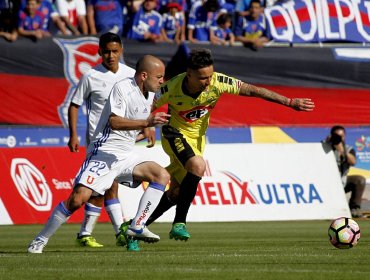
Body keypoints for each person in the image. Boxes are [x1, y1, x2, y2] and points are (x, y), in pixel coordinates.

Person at [146, 48, 315, 241]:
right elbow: (147, 105)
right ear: (189, 74)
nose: (208, 81)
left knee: (177, 193)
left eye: (210, 76)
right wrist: (147, 124)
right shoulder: (171, 88)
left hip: (196, 141)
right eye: (203, 78)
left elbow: (253, 90)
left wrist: (290, 102)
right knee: (198, 165)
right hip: (173, 134)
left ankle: (136, 226)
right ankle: (179, 223)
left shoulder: (218, 82)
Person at [27, 55, 170, 254]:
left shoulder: (149, 94)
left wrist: (147, 128)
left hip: (126, 155)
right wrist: (147, 123)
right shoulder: (122, 88)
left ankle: (137, 225)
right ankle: (39, 241)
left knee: (161, 175)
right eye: (160, 77)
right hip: (104, 153)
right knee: (78, 199)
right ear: (144, 76)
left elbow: (139, 118)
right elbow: (114, 122)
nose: (162, 81)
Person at [67, 32, 147, 251]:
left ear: (121, 50)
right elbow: (74, 104)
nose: (111, 56)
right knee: (107, 188)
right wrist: (73, 134)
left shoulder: (132, 75)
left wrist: (146, 126)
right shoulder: (91, 76)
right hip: (98, 143)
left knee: (104, 190)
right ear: (99, 52)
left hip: (123, 140)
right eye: (106, 52)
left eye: (115, 51)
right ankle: (120, 232)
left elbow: (144, 101)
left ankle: (87, 234)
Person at [323, 125, 366, 218]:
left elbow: (353, 162)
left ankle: (354, 208)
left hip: (342, 181)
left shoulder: (348, 149)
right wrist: (325, 145)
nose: (338, 139)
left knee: (360, 179)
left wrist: (342, 151)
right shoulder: (324, 146)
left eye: (341, 136)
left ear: (345, 136)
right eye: (336, 136)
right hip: (325, 182)